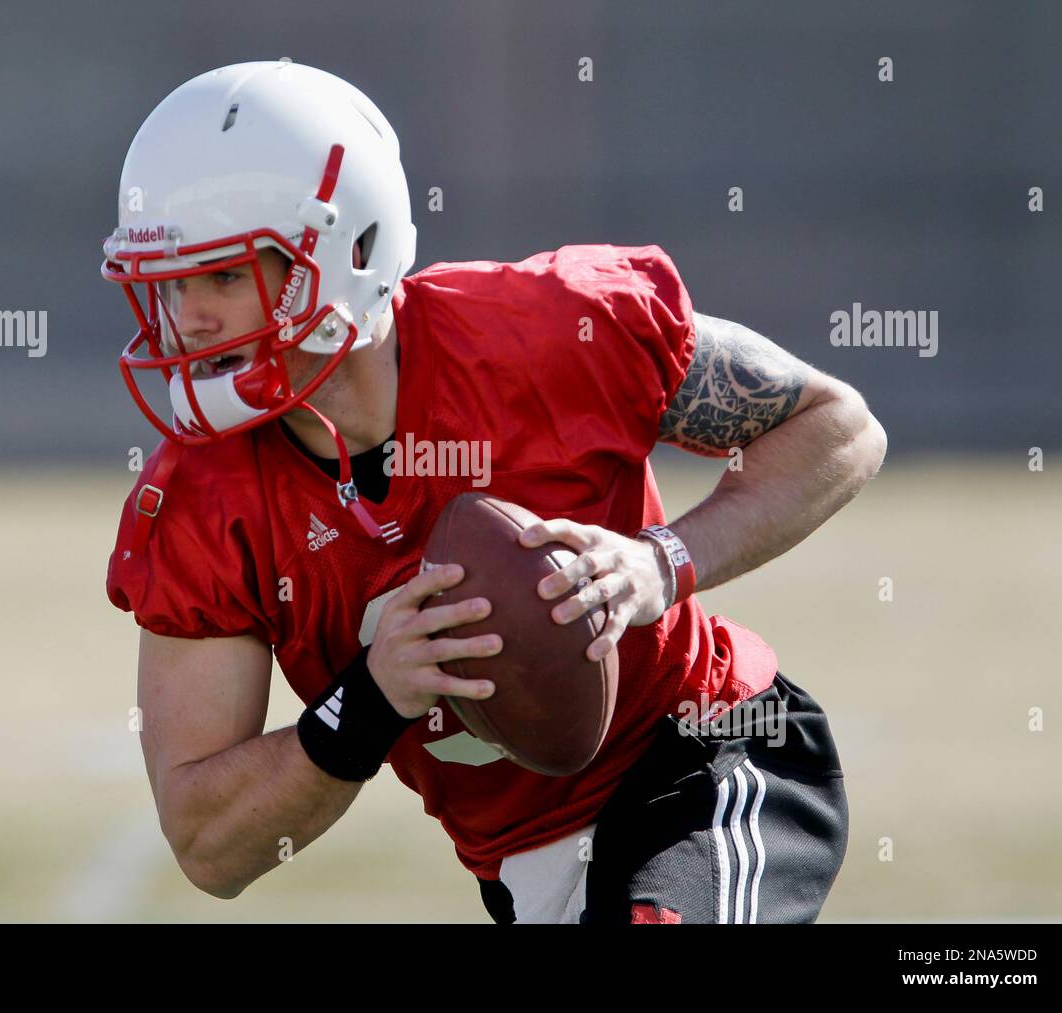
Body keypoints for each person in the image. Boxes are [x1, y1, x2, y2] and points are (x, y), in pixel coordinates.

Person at [100, 61, 887, 923]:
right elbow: (209, 843)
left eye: (221, 277)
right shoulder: (204, 496)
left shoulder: (544, 331)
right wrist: (369, 700)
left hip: (706, 758)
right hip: (523, 867)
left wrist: (664, 562)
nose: (191, 320)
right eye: (172, 285)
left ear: (343, 252)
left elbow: (837, 426)